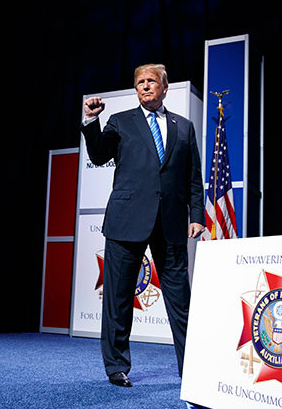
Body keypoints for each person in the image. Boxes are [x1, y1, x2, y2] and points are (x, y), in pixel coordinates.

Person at [81, 63, 205, 387]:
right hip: (126, 221)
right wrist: (91, 120)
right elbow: (97, 154)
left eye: (152, 81)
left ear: (165, 88)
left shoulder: (184, 127)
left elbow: (193, 178)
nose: (145, 86)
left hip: (172, 224)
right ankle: (117, 367)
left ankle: (192, 365)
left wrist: (197, 217)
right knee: (118, 298)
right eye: (140, 82)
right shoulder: (120, 122)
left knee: (180, 299)